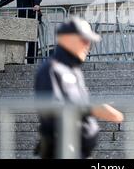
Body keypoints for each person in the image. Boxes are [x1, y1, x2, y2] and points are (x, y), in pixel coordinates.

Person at [34, 17, 124, 159]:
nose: (88, 46)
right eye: (84, 40)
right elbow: (52, 113)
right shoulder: (51, 70)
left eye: (89, 42)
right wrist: (92, 108)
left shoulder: (73, 70)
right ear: (68, 40)